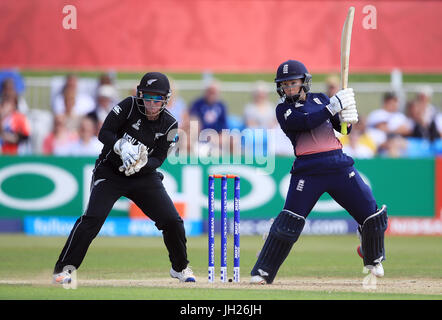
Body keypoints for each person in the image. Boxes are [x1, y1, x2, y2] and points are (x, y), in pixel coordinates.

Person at [250, 60, 387, 285]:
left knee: (372, 214)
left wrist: (347, 117)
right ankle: (263, 270)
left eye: (293, 83)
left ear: (304, 82)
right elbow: (306, 122)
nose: (288, 88)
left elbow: (341, 128)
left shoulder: (320, 99)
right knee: (290, 221)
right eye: (284, 84)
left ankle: (372, 257)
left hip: (338, 165)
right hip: (308, 170)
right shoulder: (283, 110)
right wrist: (332, 107)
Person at [52, 72, 195, 284]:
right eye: (148, 97)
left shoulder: (170, 124)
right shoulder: (128, 106)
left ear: (166, 99)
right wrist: (121, 145)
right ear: (140, 94)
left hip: (143, 177)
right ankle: (64, 270)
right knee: (93, 219)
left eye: (158, 99)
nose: (152, 103)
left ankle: (180, 268)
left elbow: (159, 158)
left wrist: (143, 163)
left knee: (172, 221)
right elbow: (104, 133)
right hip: (110, 172)